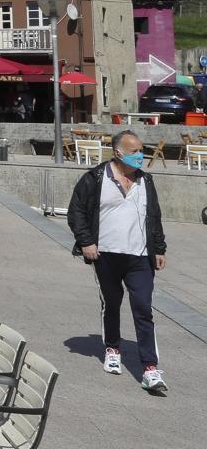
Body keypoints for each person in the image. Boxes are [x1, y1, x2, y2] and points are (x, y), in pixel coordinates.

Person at [67, 130, 168, 392]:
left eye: (141, 150)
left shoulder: (146, 181)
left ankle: (150, 368)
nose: (140, 155)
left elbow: (154, 216)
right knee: (112, 303)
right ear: (118, 152)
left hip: (140, 257)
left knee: (143, 308)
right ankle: (112, 348)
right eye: (134, 151)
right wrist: (86, 242)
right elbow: (76, 211)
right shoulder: (95, 178)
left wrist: (159, 248)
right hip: (106, 254)